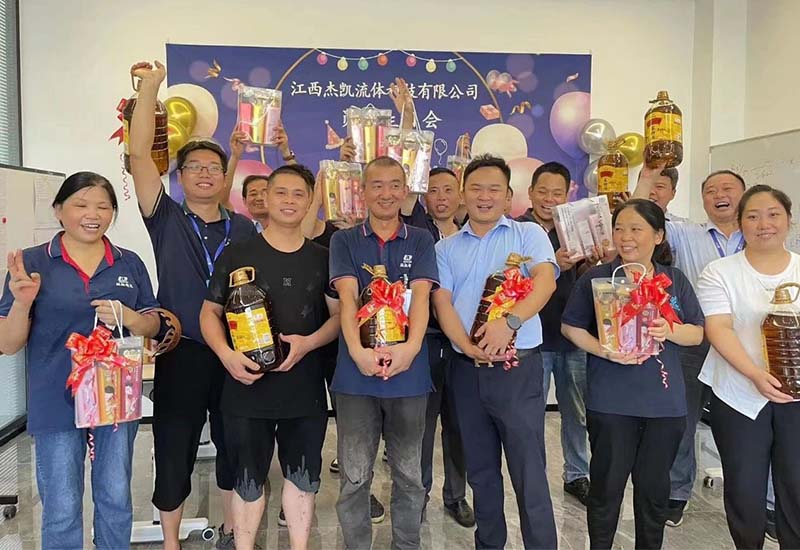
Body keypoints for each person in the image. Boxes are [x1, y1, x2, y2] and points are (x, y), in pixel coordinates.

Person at [128, 60, 258, 550]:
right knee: (174, 448)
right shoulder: (165, 217)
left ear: (225, 177)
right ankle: (170, 542)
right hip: (181, 351)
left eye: (213, 168)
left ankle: (231, 532)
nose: (204, 174)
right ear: (179, 177)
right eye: (194, 167)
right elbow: (139, 154)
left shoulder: (243, 229)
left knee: (235, 448)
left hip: (234, 354)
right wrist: (150, 87)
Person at [0, 172, 162, 550]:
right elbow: (8, 344)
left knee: (115, 496)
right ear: (58, 210)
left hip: (114, 398)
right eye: (81, 204)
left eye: (103, 206)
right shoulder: (33, 262)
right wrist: (22, 302)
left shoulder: (128, 263)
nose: (93, 214)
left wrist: (130, 317)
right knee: (61, 505)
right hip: (55, 399)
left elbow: (153, 323)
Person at [200, 164, 341, 550]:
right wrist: (226, 355)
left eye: (299, 194)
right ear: (266, 197)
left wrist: (308, 343)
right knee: (247, 481)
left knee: (303, 478)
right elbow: (209, 312)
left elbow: (339, 317)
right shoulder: (238, 253)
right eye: (281, 192)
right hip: (245, 388)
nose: (289, 201)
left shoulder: (323, 257)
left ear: (310, 201)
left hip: (304, 390)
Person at [561, 198, 705, 549]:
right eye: (619, 228)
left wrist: (669, 330)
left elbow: (697, 332)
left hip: (664, 405)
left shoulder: (673, 280)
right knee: (606, 490)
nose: (626, 237)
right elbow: (570, 326)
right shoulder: (598, 278)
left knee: (654, 492)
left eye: (636, 229)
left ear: (658, 236)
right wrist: (603, 349)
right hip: (611, 401)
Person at [433, 154, 559, 550]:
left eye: (494, 190)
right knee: (481, 471)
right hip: (466, 371)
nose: (484, 197)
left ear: (508, 197)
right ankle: (489, 544)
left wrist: (510, 322)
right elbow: (442, 303)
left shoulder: (528, 235)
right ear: (463, 195)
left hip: (517, 371)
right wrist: (468, 346)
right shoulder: (446, 248)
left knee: (529, 470)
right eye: (476, 188)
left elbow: (545, 282)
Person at [632, 166, 754, 529]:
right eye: (710, 190)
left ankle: (762, 501)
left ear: (743, 194)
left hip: (748, 345)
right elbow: (640, 214)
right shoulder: (686, 233)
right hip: (694, 341)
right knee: (681, 421)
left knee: (751, 422)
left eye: (728, 188)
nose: (719, 195)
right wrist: (648, 175)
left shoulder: (759, 235)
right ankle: (676, 493)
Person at [329, 156, 438, 550]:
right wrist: (357, 353)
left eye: (394, 185)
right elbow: (346, 299)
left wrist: (411, 349)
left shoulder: (421, 240)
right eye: (377, 185)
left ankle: (406, 545)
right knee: (355, 476)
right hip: (355, 376)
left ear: (405, 190)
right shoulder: (344, 241)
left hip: (409, 375)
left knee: (409, 474)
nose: (386, 193)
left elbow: (422, 299)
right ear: (363, 191)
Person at [697, 184, 800, 549]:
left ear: (788, 220)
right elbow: (719, 328)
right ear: (741, 223)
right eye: (753, 216)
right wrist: (755, 374)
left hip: (797, 397)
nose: (764, 224)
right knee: (744, 488)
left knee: (796, 484)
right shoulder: (720, 272)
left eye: (773, 214)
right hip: (738, 394)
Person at [400, 168, 474, 527]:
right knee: (423, 427)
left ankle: (456, 496)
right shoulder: (417, 230)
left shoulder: (472, 233)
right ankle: (419, 495)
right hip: (427, 341)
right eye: (433, 190)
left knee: (458, 426)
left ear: (460, 195)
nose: (441, 197)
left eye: (448, 189)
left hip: (464, 344)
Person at [516, 161, 592, 505]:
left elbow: (589, 278)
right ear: (530, 193)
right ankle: (534, 476)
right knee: (531, 412)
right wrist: (553, 267)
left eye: (557, 193)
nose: (549, 199)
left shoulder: (575, 228)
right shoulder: (517, 230)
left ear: (567, 196)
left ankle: (577, 474)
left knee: (576, 410)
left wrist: (592, 261)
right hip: (532, 336)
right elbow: (508, 279)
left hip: (573, 333)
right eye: (543, 191)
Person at [222, 124, 295, 231]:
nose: (259, 198)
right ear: (244, 201)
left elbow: (301, 186)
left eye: (265, 192)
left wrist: (286, 152)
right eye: (253, 194)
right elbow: (222, 194)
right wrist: (235, 156)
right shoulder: (239, 227)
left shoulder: (291, 226)